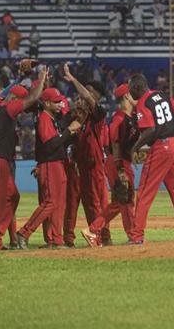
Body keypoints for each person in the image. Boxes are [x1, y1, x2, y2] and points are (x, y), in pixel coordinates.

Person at [127, 73, 174, 244]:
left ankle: (137, 235)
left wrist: (135, 148)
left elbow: (150, 130)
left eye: (131, 88)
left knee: (145, 192)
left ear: (137, 87)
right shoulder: (163, 95)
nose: (130, 92)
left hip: (161, 147)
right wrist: (167, 124)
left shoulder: (143, 102)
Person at [0, 68, 46, 249]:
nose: (22, 106)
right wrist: (41, 79)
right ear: (13, 99)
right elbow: (32, 99)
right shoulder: (7, 109)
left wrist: (19, 78)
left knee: (12, 196)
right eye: (20, 100)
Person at [15, 88, 81, 249]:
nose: (60, 104)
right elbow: (51, 144)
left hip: (58, 164)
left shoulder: (51, 118)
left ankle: (56, 240)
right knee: (50, 202)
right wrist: (69, 130)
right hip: (50, 164)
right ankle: (23, 233)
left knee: (59, 204)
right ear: (46, 103)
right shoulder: (44, 118)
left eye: (60, 101)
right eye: (56, 101)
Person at [82, 84, 138, 247]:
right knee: (126, 200)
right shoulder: (119, 120)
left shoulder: (130, 117)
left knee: (121, 201)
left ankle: (93, 230)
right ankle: (132, 235)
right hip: (117, 162)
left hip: (122, 161)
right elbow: (114, 144)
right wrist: (120, 169)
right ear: (127, 96)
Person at [62, 64, 110, 246]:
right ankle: (68, 238)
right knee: (72, 204)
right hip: (76, 165)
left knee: (95, 204)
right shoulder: (74, 117)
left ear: (96, 96)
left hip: (93, 165)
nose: (82, 96)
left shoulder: (99, 115)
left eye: (88, 92)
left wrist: (73, 79)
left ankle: (101, 236)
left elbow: (88, 99)